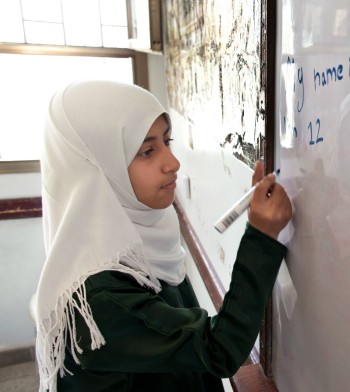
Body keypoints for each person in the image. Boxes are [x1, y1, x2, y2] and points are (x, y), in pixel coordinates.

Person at [33, 80, 292, 392]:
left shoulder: (141, 241)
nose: (173, 163)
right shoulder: (98, 297)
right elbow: (217, 349)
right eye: (147, 151)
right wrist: (261, 237)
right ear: (97, 169)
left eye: (167, 142)